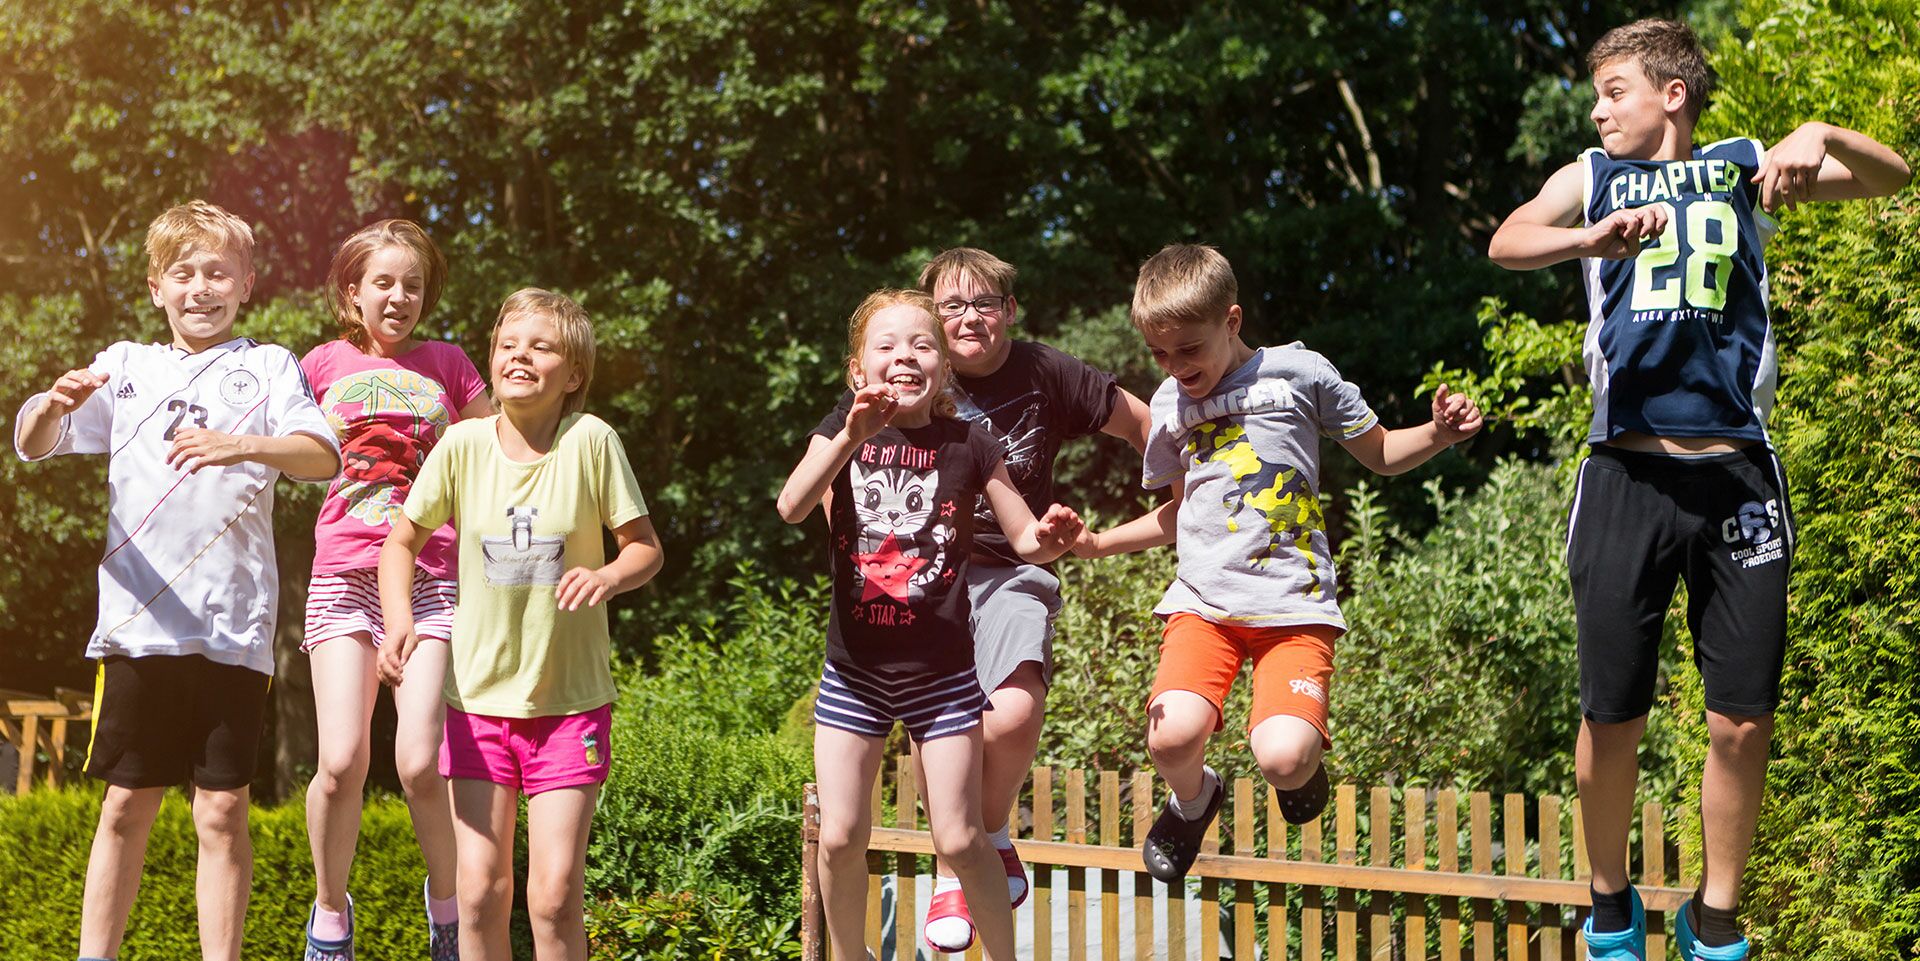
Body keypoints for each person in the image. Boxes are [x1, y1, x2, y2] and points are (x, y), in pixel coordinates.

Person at [1488, 18, 1910, 961]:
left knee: (1743, 718)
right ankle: (1609, 907)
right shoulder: (1590, 179)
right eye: (1595, 96)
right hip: (1623, 474)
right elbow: (1507, 240)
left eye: (1615, 91)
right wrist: (1588, 240)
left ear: (1672, 94)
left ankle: (1714, 922)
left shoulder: (1740, 167)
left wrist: (1823, 136)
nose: (1598, 111)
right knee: (1611, 714)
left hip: (1737, 476)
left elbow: (1894, 177)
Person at [1072, 243, 1481, 885]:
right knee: (1171, 738)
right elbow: (1178, 514)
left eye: (1189, 349)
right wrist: (1097, 543)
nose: (1176, 368)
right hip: (1204, 605)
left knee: (1283, 759)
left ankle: (1301, 764)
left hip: (1294, 606)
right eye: (1160, 354)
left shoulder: (1299, 373)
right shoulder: (1172, 407)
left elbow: (1379, 454)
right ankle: (1192, 799)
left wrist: (1440, 435)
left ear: (1231, 322)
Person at [12, 200, 341, 961]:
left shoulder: (267, 365)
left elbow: (322, 456)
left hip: (234, 630)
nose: (202, 287)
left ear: (247, 283)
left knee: (222, 811)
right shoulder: (126, 364)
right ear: (157, 285)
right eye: (184, 273)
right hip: (136, 628)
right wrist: (51, 405)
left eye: (218, 271)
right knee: (125, 803)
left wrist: (241, 443)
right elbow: (34, 443)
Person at [813, 248, 1151, 949]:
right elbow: (827, 472)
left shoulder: (1046, 372)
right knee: (857, 813)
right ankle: (955, 864)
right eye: (951, 307)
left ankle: (977, 839)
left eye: (985, 303)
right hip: (916, 585)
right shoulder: (890, 383)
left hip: (1009, 567)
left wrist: (1193, 477)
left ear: (1009, 312)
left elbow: (1147, 426)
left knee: (1013, 710)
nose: (969, 318)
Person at [777, 288, 1085, 961]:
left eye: (921, 345)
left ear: (943, 370)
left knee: (960, 837)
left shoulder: (971, 444)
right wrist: (851, 438)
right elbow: (792, 504)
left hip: (943, 677)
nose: (904, 356)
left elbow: (1023, 539)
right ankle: (848, 953)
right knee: (838, 835)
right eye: (886, 345)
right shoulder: (838, 429)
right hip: (854, 673)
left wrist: (1050, 536)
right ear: (858, 370)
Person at [376, 288, 663, 961]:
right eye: (508, 344)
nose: (520, 356)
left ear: (575, 374)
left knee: (555, 895)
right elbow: (400, 542)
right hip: (476, 705)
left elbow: (645, 547)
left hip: (570, 706)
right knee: (478, 894)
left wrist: (608, 575)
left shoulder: (590, 441)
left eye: (541, 346)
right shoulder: (461, 444)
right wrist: (397, 621)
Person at [298, 219, 491, 961]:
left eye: (413, 284)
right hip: (343, 574)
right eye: (383, 281)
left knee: (417, 762)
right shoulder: (317, 363)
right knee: (342, 761)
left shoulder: (450, 364)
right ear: (353, 291)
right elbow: (288, 448)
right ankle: (329, 911)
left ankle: (445, 912)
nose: (400, 296)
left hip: (432, 577)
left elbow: (496, 457)